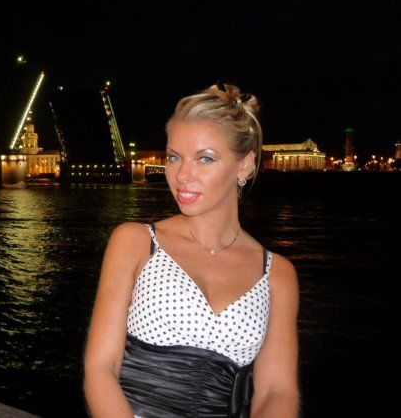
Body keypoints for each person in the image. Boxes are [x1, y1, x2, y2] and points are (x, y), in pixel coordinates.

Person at [84, 83, 299, 417]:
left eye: (205, 159)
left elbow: (276, 391)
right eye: (174, 157)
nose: (182, 175)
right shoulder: (136, 242)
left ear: (245, 165)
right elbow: (101, 368)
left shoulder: (276, 274)